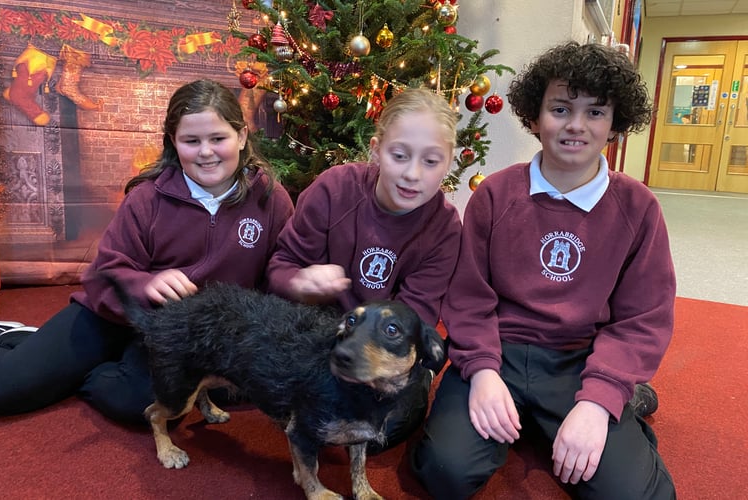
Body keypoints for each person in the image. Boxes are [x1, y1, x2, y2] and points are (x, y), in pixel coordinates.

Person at [411, 41, 677, 499]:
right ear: (535, 117)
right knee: (442, 472)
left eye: (596, 112)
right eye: (560, 109)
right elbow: (468, 298)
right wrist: (482, 371)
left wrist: (599, 400)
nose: (576, 125)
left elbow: (643, 319)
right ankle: (537, 416)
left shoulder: (638, 207)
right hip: (500, 352)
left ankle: (621, 399)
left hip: (581, 359)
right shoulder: (495, 195)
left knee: (637, 495)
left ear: (615, 125)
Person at [0, 79, 294, 423]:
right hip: (112, 316)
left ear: (241, 137)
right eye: (191, 141)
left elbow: (278, 275)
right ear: (173, 142)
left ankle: (88, 372)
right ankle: (21, 338)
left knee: (151, 405)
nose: (206, 152)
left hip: (187, 336)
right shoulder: (147, 197)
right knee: (5, 391)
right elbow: (102, 274)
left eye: (218, 139)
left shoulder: (271, 200)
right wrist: (146, 284)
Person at [266, 87, 462, 452]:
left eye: (431, 161)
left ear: (449, 162)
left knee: (382, 429)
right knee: (306, 406)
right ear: (376, 149)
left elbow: (417, 314)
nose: (412, 174)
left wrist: (377, 363)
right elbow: (281, 267)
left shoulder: (446, 227)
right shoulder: (334, 189)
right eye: (399, 156)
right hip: (324, 334)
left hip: (384, 347)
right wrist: (300, 282)